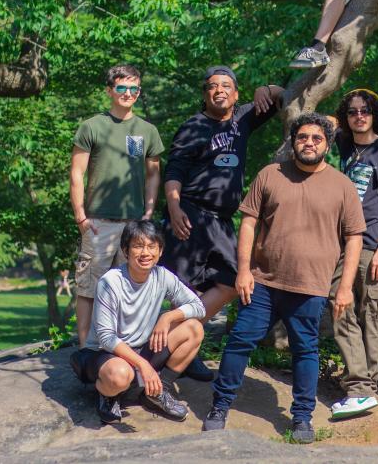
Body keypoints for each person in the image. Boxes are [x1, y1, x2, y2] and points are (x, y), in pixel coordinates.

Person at [202, 113, 365, 444]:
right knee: (240, 340)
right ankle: (219, 407)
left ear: (328, 144)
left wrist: (345, 287)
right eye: (302, 137)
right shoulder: (270, 174)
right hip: (262, 281)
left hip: (311, 286)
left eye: (317, 138)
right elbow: (248, 223)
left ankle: (302, 417)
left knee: (305, 350)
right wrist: (243, 270)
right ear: (293, 141)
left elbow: (354, 238)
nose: (309, 143)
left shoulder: (342, 185)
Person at [160, 66, 284, 381]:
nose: (220, 91)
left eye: (226, 86)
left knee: (231, 282)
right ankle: (182, 352)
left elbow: (284, 95)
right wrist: (173, 207)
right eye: (213, 86)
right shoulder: (193, 127)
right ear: (205, 94)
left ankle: (178, 340)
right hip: (191, 213)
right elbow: (174, 170)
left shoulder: (243, 118)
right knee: (185, 289)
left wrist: (266, 88)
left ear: (236, 93)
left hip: (223, 220)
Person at [70, 220, 206, 424]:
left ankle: (157, 391)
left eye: (152, 246)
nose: (145, 253)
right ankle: (107, 393)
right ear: (126, 250)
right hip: (106, 353)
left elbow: (198, 307)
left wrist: (168, 317)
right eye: (138, 246)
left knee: (194, 328)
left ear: (160, 251)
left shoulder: (162, 276)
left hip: (141, 347)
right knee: (119, 376)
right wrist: (143, 365)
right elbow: (107, 338)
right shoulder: (110, 282)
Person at [324, 88, 378, 419]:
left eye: (366, 111)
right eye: (353, 111)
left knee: (371, 314)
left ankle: (364, 387)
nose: (360, 116)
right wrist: (339, 116)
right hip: (343, 244)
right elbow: (325, 121)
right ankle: (361, 382)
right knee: (340, 306)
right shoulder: (345, 146)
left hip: (373, 245)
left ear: (375, 115)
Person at [70, 64, 165, 348]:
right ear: (110, 90)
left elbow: (153, 174)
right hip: (97, 222)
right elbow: (76, 173)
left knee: (130, 289)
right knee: (89, 288)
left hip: (133, 226)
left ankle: (124, 348)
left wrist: (148, 211)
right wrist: (81, 217)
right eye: (121, 87)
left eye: (134, 88)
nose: (128, 93)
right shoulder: (91, 126)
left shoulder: (147, 131)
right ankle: (87, 350)